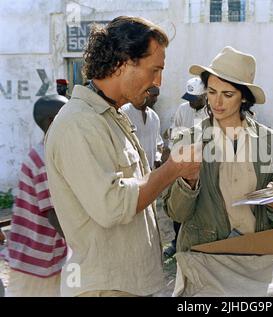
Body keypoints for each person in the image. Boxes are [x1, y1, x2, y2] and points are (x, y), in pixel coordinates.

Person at [44, 16, 200, 297]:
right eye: (154, 70)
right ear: (123, 62)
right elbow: (112, 206)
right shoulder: (78, 123)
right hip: (106, 287)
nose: (158, 82)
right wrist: (173, 168)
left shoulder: (110, 116)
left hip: (129, 283)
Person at [163, 46, 273, 252]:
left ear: (243, 97)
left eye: (228, 94)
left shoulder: (267, 140)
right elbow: (176, 214)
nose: (217, 101)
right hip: (204, 254)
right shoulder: (189, 139)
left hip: (254, 250)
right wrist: (188, 183)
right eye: (212, 92)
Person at [5, 95, 68, 297]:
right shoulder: (44, 159)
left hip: (46, 256)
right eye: (66, 116)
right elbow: (53, 213)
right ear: (51, 121)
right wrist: (83, 245)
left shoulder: (49, 153)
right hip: (33, 260)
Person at [163, 77, 208, 258]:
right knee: (179, 207)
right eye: (188, 98)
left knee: (200, 207)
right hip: (182, 164)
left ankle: (198, 244)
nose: (190, 102)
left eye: (194, 98)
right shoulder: (183, 110)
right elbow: (174, 133)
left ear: (204, 96)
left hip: (204, 167)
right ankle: (177, 241)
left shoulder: (212, 112)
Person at [122, 86, 163, 169]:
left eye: (156, 96)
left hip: (150, 170)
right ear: (142, 93)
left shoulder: (154, 117)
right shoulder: (124, 113)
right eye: (152, 96)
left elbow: (158, 143)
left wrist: (157, 158)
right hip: (131, 170)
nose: (155, 100)